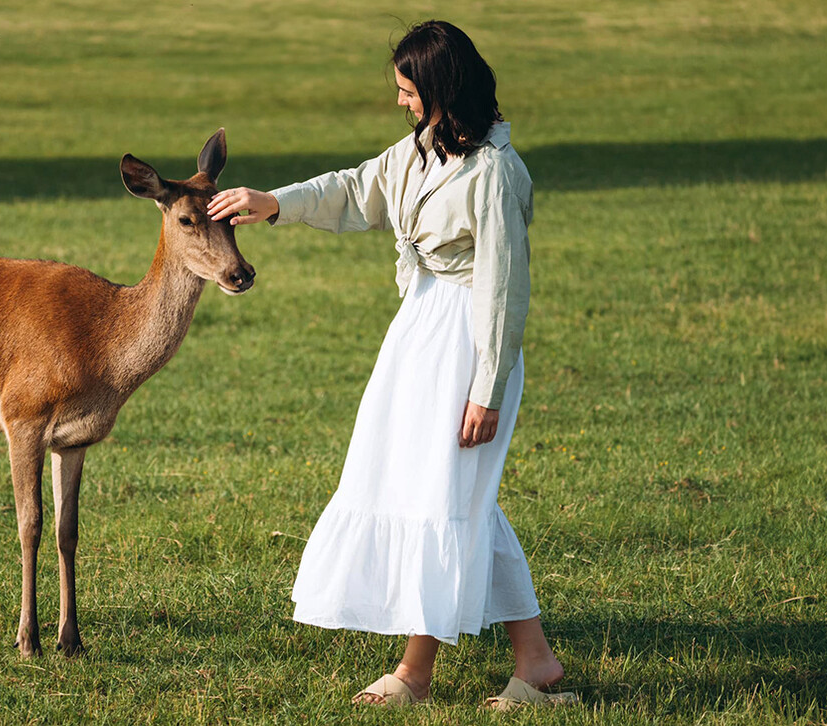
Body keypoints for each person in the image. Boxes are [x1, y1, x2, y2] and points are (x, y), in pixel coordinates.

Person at [206, 20, 577, 709]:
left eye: (409, 91)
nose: (401, 102)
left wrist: (486, 390)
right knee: (446, 497)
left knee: (439, 499)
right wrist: (273, 203)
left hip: (465, 343)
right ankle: (536, 663)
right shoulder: (420, 150)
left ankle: (417, 673)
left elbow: (502, 288)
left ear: (441, 89)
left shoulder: (493, 172)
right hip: (416, 333)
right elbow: (354, 190)